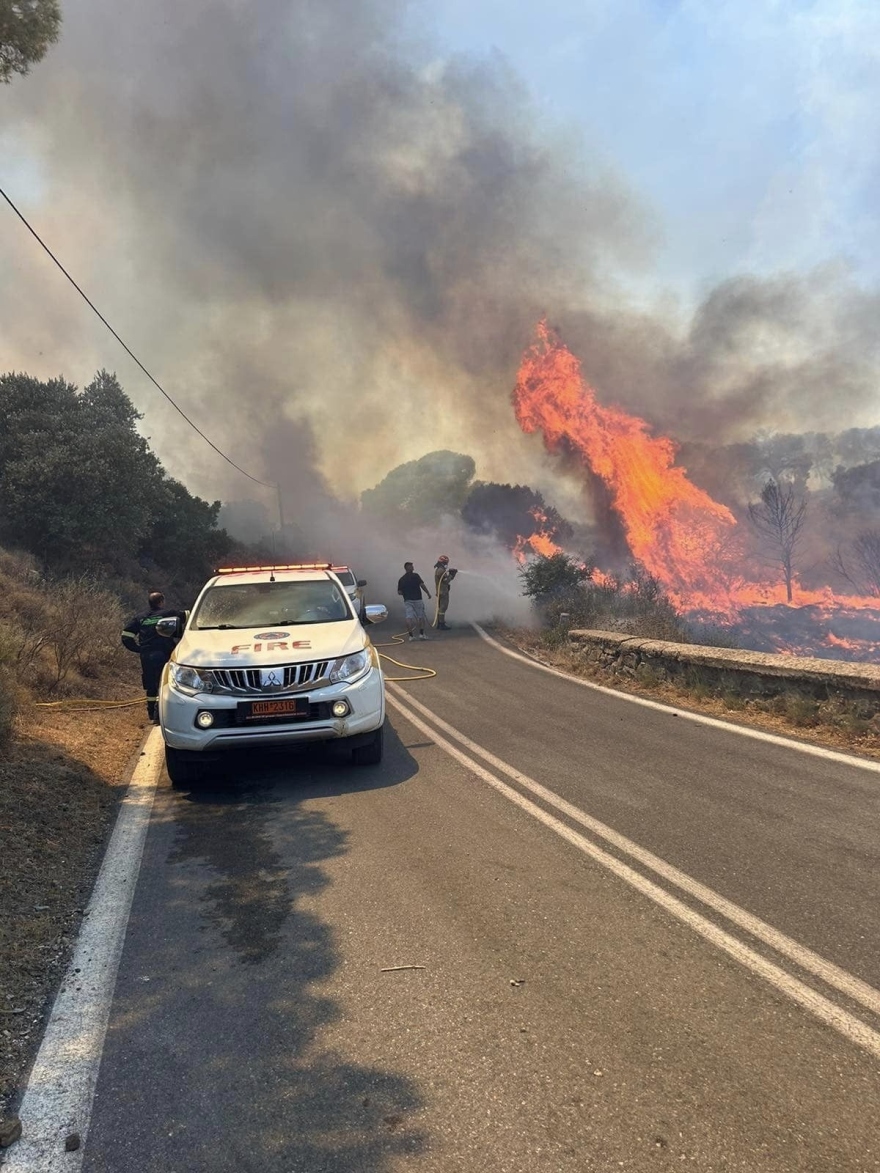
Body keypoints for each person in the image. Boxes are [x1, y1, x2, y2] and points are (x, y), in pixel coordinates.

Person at [122, 591, 184, 723]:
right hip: (162, 653)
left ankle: (151, 714)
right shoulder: (168, 614)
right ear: (161, 602)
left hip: (146, 655)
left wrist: (138, 649)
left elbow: (126, 635)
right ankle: (160, 714)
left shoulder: (140, 617)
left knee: (150, 684)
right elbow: (188, 616)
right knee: (163, 682)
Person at [396, 561, 431, 641]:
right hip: (418, 599)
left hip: (408, 600)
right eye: (411, 566)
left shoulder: (402, 579)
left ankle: (411, 636)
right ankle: (421, 634)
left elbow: (399, 592)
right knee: (421, 616)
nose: (413, 567)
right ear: (408, 567)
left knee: (409, 617)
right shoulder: (416, 576)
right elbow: (422, 585)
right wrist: (428, 593)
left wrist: (406, 593)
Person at [433, 555, 458, 630]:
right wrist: (451, 574)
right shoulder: (441, 570)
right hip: (443, 592)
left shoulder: (440, 569)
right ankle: (441, 624)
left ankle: (440, 623)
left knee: (441, 608)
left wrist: (452, 575)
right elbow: (446, 581)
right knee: (443, 608)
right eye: (445, 562)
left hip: (441, 591)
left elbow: (446, 580)